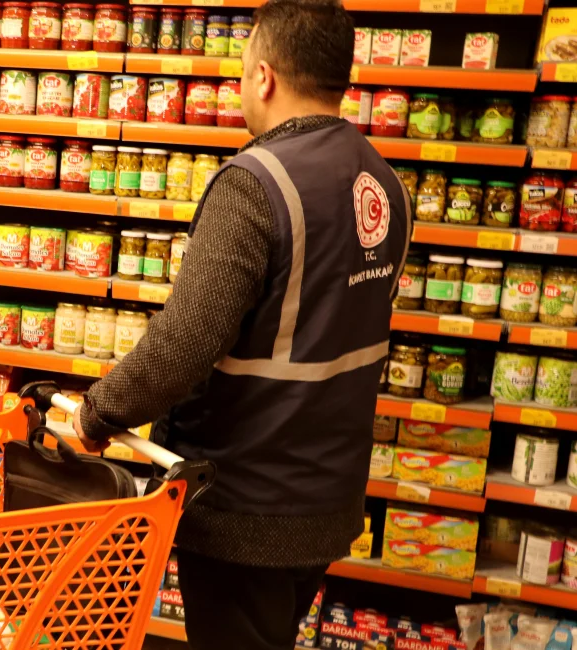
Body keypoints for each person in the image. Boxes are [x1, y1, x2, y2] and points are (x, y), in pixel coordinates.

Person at [73, 1, 410, 648]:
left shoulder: (256, 183)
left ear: (264, 76)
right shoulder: (384, 183)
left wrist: (98, 413)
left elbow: (184, 343)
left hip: (247, 501)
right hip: (327, 494)